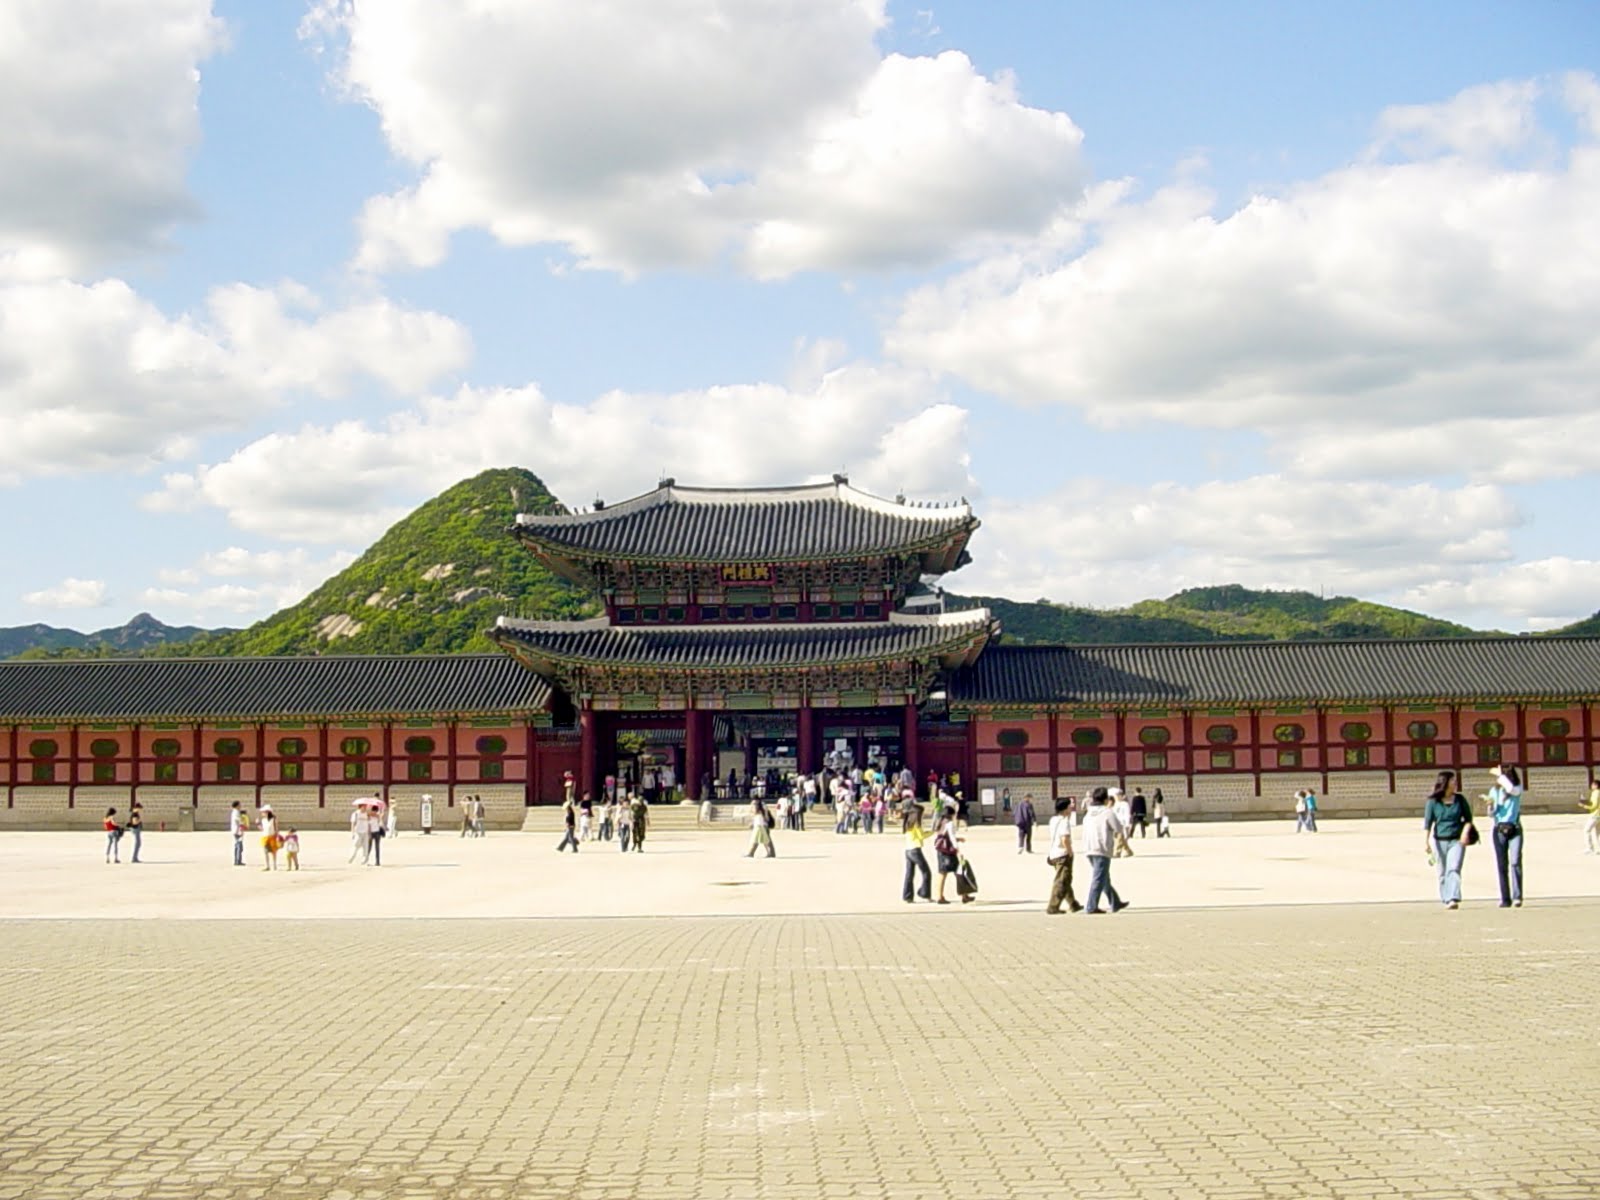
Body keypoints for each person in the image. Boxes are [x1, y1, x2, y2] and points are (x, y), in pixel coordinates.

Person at [1422, 769, 1476, 910]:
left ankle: (1453, 897)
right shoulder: (1433, 802)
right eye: (1452, 780)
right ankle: (1445, 898)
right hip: (1439, 841)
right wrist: (1426, 841)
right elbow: (1428, 823)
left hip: (1457, 840)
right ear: (1445, 782)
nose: (1455, 782)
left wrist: (1465, 833)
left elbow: (1469, 819)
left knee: (1454, 868)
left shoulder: (1460, 799)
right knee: (1442, 872)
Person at [1080, 787, 1130, 914]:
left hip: (1089, 847)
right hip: (1102, 848)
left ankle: (1115, 902)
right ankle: (1091, 906)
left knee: (1104, 877)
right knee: (1098, 878)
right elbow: (1118, 828)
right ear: (1106, 799)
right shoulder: (1107, 812)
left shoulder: (1088, 814)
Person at [1485, 765, 1525, 908]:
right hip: (1499, 829)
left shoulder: (1517, 789)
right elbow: (1491, 814)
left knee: (1515, 861)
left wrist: (1501, 775)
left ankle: (1517, 896)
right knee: (1502, 865)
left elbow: (1511, 789)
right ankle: (1505, 898)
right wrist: (1490, 806)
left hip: (1515, 828)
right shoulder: (1494, 791)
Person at [1045, 798, 1082, 914]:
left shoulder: (1053, 820)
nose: (1071, 809)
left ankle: (1073, 904)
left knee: (1065, 879)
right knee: (1062, 881)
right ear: (1065, 809)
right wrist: (1070, 851)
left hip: (1054, 853)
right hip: (1062, 854)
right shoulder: (1064, 821)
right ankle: (1053, 906)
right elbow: (1064, 838)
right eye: (1069, 807)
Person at [901, 803, 932, 903]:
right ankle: (925, 893)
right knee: (926, 872)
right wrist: (933, 831)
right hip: (915, 849)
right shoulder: (916, 824)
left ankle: (907, 896)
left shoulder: (907, 822)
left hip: (908, 850)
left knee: (909, 874)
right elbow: (921, 836)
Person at [932, 807, 962, 904]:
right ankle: (964, 895)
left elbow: (943, 836)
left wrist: (958, 839)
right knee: (959, 872)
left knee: (942, 873)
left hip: (940, 850)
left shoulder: (941, 822)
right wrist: (958, 850)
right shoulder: (950, 823)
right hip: (949, 852)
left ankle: (939, 896)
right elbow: (951, 837)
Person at [1109, 787, 1134, 858]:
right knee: (1120, 838)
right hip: (1115, 823)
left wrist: (1127, 824)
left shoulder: (1124, 804)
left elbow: (1127, 814)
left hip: (1122, 823)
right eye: (1116, 795)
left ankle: (1117, 852)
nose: (1118, 796)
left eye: (1119, 795)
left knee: (1120, 838)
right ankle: (1128, 851)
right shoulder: (1113, 804)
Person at [259, 805, 280, 871]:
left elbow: (276, 828)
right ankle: (267, 865)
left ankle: (274, 865)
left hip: (272, 836)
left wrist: (277, 835)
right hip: (265, 837)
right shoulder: (263, 820)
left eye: (263, 812)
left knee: (273, 852)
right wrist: (258, 825)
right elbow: (262, 829)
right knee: (265, 852)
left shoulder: (273, 819)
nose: (262, 813)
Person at [1582, 779, 1600, 854]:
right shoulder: (1597, 792)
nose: (1591, 786)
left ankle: (1590, 848)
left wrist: (1585, 806)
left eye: (1592, 785)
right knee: (1596, 833)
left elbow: (1594, 805)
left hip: (1595, 815)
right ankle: (1598, 849)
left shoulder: (1596, 793)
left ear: (1596, 785)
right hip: (1598, 815)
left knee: (1587, 830)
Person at [229, 800, 248, 866]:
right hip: (237, 831)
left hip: (237, 830)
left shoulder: (236, 812)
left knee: (238, 845)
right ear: (237, 805)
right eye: (239, 805)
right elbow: (238, 821)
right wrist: (243, 823)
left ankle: (238, 860)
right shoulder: (236, 812)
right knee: (239, 846)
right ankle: (237, 861)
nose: (240, 806)